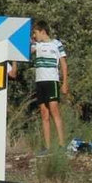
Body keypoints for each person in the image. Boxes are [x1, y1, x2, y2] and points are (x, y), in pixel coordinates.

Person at [30, 19, 69, 155]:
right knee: (44, 113)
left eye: (35, 32)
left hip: (52, 81)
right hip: (39, 82)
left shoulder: (56, 44)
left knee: (54, 111)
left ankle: (61, 145)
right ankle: (47, 147)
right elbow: (28, 48)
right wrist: (31, 41)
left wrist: (65, 83)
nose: (34, 35)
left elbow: (63, 64)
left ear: (42, 31)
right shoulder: (36, 45)